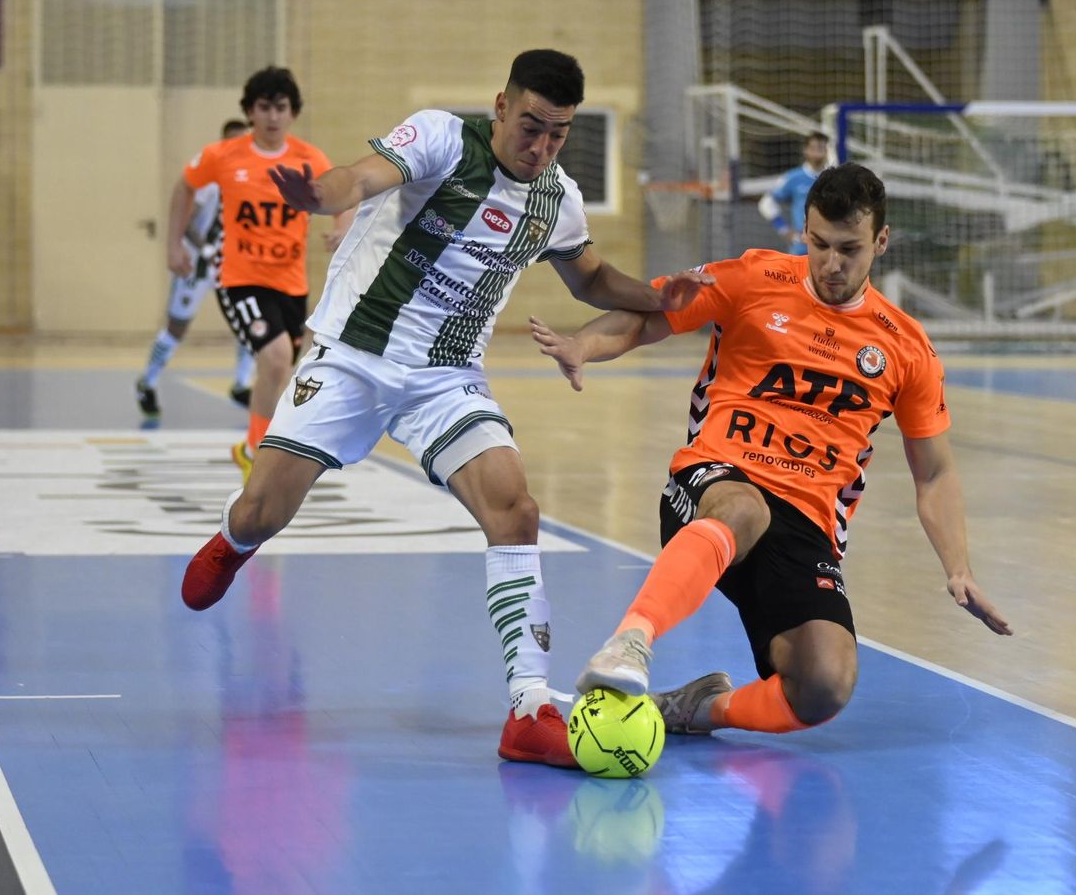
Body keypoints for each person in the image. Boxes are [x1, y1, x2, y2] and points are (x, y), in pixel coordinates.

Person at [178, 48, 711, 768]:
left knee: (515, 508)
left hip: (445, 376)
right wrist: (322, 195)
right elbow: (361, 177)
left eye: (559, 133)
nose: (542, 146)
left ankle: (528, 705)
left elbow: (589, 278)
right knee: (263, 510)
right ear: (500, 105)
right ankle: (233, 541)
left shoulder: (557, 197)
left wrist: (661, 297)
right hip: (351, 356)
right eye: (531, 126)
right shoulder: (441, 137)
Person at [531, 161, 1012, 740]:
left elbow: (933, 473)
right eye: (819, 244)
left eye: (850, 249)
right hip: (715, 483)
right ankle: (630, 641)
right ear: (804, 232)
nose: (832, 264)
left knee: (824, 685)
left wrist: (958, 567)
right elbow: (647, 317)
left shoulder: (906, 346)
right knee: (744, 507)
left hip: (806, 522)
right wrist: (584, 344)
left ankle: (697, 708)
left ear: (881, 242)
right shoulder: (754, 278)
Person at [164, 67, 352, 475]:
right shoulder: (223, 156)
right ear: (250, 111)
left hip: (290, 281)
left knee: (283, 368)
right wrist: (174, 242)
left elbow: (344, 195)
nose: (272, 117)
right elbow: (185, 186)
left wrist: (342, 229)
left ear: (293, 113)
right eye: (263, 107)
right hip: (240, 278)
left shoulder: (308, 157)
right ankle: (254, 451)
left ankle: (257, 442)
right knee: (275, 357)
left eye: (280, 108)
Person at [136, 118, 257, 420]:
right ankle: (147, 382)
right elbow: (188, 220)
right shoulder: (209, 178)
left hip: (235, 263)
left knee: (251, 323)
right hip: (199, 264)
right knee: (176, 327)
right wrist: (204, 247)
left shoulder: (254, 176)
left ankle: (242, 384)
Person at [756, 130, 831, 255]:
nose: (818, 151)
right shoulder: (793, 177)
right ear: (805, 150)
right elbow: (766, 203)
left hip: (830, 246)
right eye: (814, 147)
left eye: (822, 147)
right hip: (802, 247)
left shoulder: (834, 178)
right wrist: (784, 229)